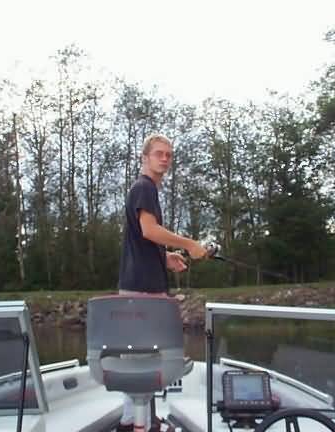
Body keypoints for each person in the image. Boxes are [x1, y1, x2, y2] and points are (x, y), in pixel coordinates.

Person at [116, 133, 207, 432]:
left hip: (140, 286)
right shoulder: (144, 187)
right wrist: (190, 244)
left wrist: (165, 256)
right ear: (145, 157)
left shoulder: (145, 189)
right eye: (159, 153)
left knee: (138, 358)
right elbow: (149, 230)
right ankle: (138, 423)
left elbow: (142, 240)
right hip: (142, 290)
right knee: (142, 360)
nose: (165, 158)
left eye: (169, 154)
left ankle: (133, 420)